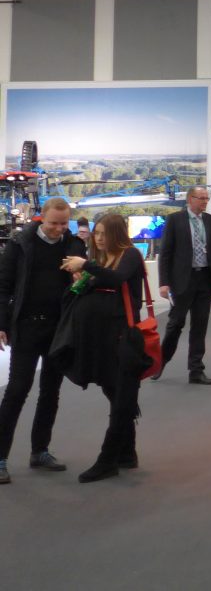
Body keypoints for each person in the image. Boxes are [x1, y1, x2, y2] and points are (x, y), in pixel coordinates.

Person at [0, 197, 86, 485]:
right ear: (41, 218)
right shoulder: (20, 244)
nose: (58, 229)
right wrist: (1, 324)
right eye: (53, 223)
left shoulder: (72, 244)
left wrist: (79, 266)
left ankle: (40, 451)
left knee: (51, 392)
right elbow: (3, 286)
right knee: (16, 391)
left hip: (58, 330)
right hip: (26, 328)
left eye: (64, 224)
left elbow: (81, 263)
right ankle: (0, 458)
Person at [61, 214, 149, 483]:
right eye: (96, 233)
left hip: (124, 339)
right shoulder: (101, 259)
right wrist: (82, 278)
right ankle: (127, 453)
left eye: (104, 233)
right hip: (104, 339)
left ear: (117, 234)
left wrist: (86, 265)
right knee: (116, 395)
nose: (98, 238)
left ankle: (107, 460)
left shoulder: (129, 254)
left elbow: (117, 278)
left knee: (122, 399)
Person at [156, 185, 211, 385]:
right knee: (175, 324)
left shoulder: (210, 221)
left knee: (200, 326)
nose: (205, 202)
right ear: (190, 199)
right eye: (202, 198)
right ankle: (160, 362)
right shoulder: (174, 220)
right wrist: (164, 283)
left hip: (204, 280)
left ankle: (196, 370)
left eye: (207, 198)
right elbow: (165, 253)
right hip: (181, 281)